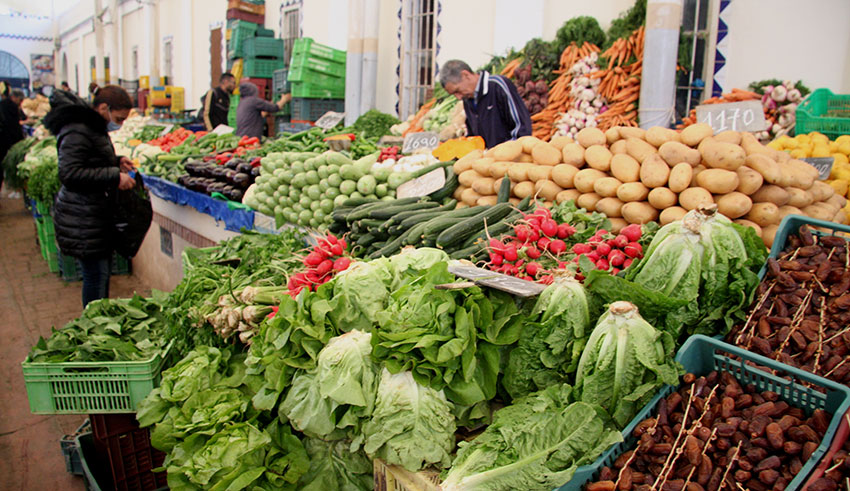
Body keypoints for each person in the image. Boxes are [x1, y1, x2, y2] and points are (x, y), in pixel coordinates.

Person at [43, 86, 136, 308]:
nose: (119, 124)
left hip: (91, 214)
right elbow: (70, 173)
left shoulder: (90, 126)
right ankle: (93, 328)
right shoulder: (77, 129)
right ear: (104, 108)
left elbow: (90, 160)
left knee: (100, 275)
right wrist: (115, 176)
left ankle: (97, 322)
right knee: (95, 277)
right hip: (82, 217)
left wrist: (116, 161)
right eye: (119, 118)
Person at [439, 59, 532, 148]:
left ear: (466, 75)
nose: (458, 97)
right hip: (486, 161)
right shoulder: (467, 99)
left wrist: (508, 151)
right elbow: (474, 137)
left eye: (457, 91)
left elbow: (522, 126)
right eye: (454, 94)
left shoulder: (498, 86)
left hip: (509, 160)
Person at [0, 88, 27, 193]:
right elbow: (13, 127)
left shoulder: (4, 105)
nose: (20, 103)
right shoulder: (10, 107)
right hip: (5, 141)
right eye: (19, 100)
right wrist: (20, 142)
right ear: (13, 97)